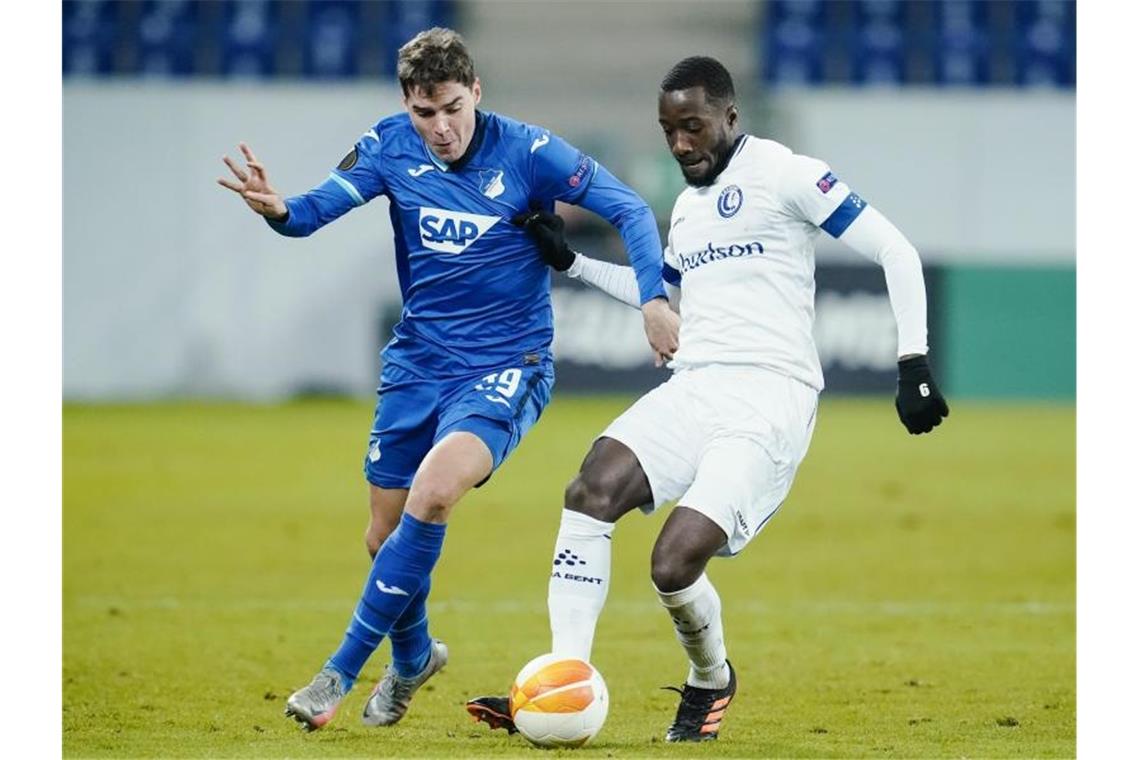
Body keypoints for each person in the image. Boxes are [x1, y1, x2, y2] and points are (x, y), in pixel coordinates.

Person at [466, 56, 949, 742]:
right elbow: (659, 298)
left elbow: (896, 251)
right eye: (668, 130)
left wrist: (913, 363)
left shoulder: (788, 174)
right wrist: (570, 262)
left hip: (769, 401)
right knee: (590, 490)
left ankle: (710, 678)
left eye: (692, 126)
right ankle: (564, 680)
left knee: (672, 562)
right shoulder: (689, 211)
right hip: (695, 385)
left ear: (729, 116)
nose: (681, 143)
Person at [217, 27, 678, 732]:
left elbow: (628, 209)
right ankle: (412, 659)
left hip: (507, 363)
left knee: (432, 495)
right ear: (407, 104)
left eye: (453, 108)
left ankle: (337, 672)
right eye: (425, 113)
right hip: (417, 362)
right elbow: (312, 213)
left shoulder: (528, 151)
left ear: (477, 93)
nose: (441, 128)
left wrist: (652, 298)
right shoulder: (388, 146)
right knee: (382, 537)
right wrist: (279, 209)